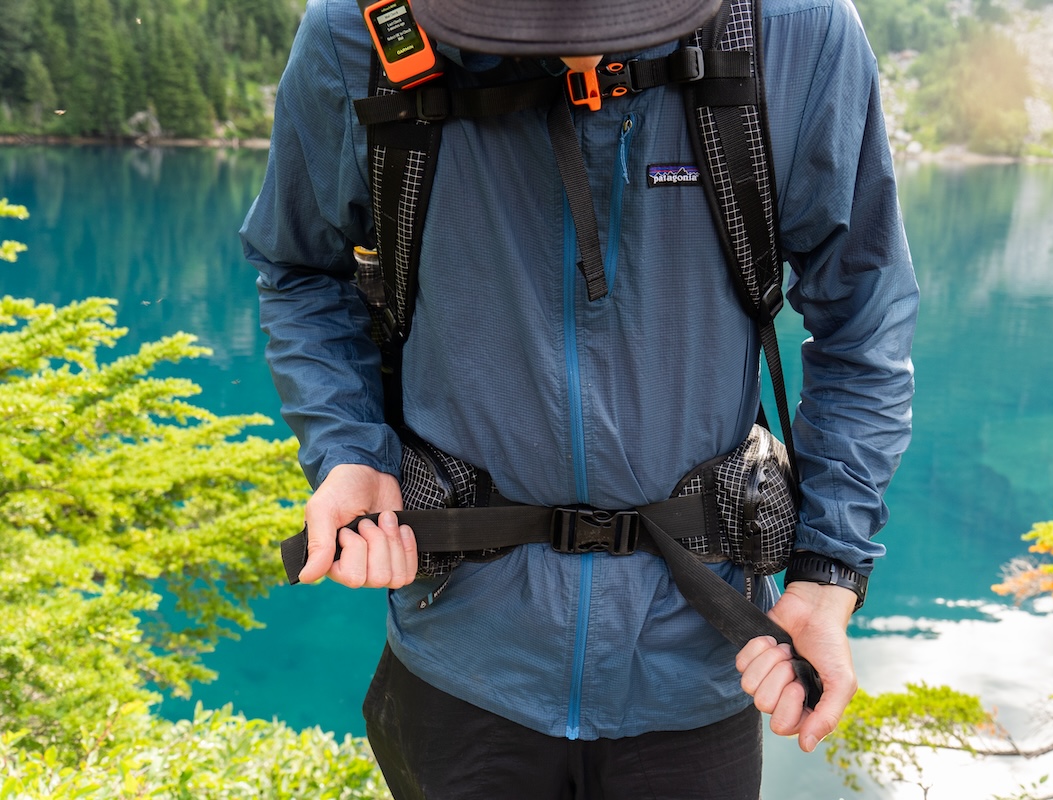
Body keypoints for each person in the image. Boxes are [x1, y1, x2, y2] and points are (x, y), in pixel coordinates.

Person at [241, 0, 918, 795]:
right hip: (462, 667)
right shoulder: (359, 34)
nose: (574, 56)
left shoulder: (793, 33)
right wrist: (349, 450)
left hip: (699, 663)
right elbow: (301, 269)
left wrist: (826, 572)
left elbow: (865, 316)